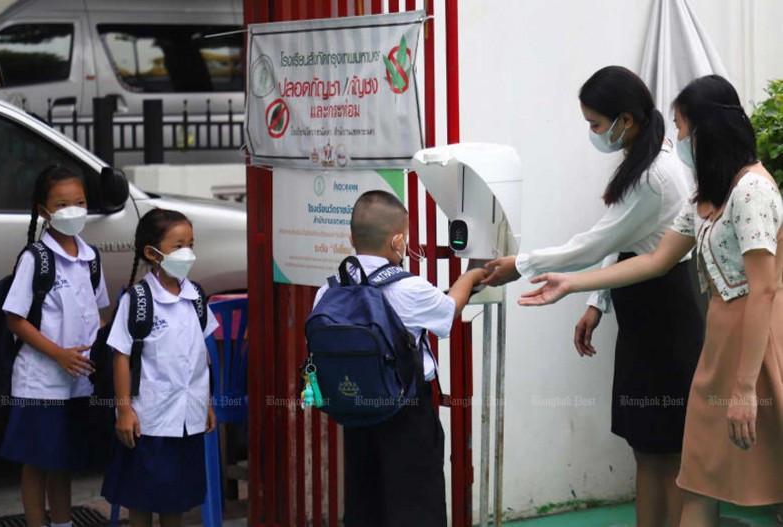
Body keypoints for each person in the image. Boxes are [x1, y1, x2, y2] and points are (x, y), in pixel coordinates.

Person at [519, 75, 783, 526]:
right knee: (697, 478)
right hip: (720, 343)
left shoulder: (752, 191)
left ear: (707, 129)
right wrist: (573, 284)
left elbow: (764, 289)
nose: (676, 137)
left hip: (756, 347)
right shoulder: (709, 192)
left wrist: (743, 388)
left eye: (681, 127)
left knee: (770, 477)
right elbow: (657, 259)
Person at [482, 66, 703, 527]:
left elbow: (597, 242)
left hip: (666, 321)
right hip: (642, 314)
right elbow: (625, 239)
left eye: (595, 125)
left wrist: (522, 265)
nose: (593, 134)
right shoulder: (643, 161)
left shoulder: (655, 176)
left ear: (626, 119)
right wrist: (596, 303)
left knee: (671, 452)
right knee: (646, 448)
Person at [313, 190, 486, 527]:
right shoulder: (411, 289)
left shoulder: (327, 291)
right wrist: (470, 276)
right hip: (406, 412)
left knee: (365, 503)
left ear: (351, 238)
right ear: (398, 241)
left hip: (355, 411)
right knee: (417, 505)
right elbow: (449, 311)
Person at [0, 165, 109, 527]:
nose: (73, 211)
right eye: (62, 205)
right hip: (40, 381)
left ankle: (63, 523)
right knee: (37, 460)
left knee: (63, 459)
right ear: (45, 212)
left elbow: (98, 313)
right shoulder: (35, 259)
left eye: (79, 202)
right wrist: (58, 354)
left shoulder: (91, 258)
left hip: (78, 379)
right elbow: (15, 319)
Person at [101, 209, 218, 527]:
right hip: (148, 421)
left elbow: (201, 356)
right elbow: (121, 356)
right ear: (152, 254)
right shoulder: (138, 300)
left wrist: (205, 402)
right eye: (178, 246)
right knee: (142, 500)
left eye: (191, 244)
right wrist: (124, 411)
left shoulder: (195, 297)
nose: (188, 253)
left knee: (175, 501)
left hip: (187, 419)